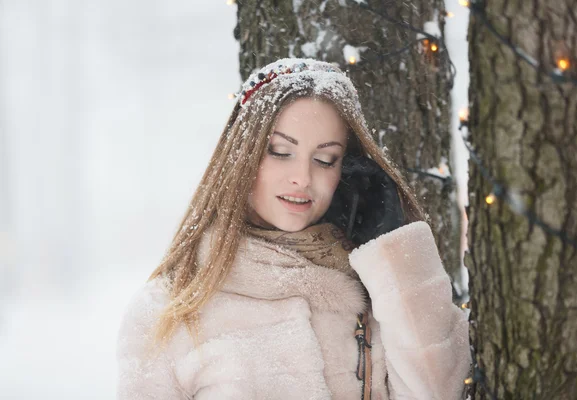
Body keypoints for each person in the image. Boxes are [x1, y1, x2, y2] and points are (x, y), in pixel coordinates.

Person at [116, 58, 471, 399]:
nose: (303, 178)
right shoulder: (168, 311)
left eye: (324, 160)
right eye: (280, 151)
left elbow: (441, 393)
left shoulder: (379, 292)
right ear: (243, 154)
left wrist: (394, 248)